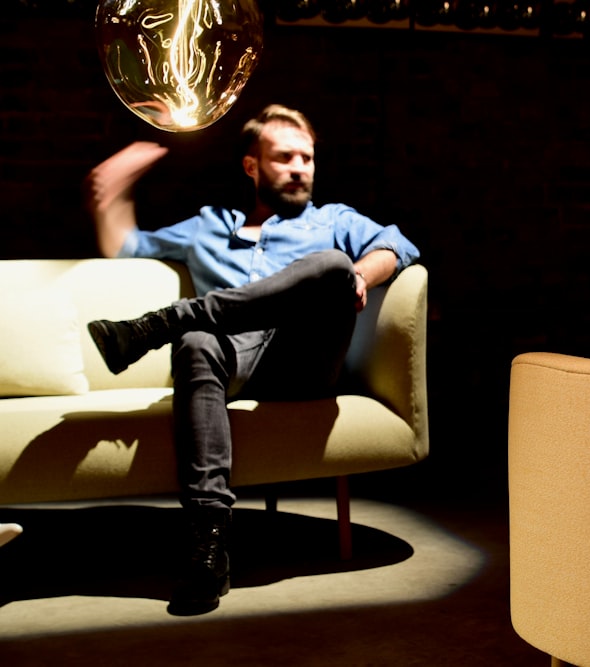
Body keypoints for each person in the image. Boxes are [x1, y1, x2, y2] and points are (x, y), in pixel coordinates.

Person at [83, 104, 420, 616]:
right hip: (231, 361)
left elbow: (397, 244)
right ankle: (209, 547)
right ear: (251, 166)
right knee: (197, 343)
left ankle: (158, 325)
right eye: (284, 157)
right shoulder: (207, 226)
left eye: (307, 158)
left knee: (330, 265)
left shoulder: (331, 221)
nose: (299, 168)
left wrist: (358, 277)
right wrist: (112, 187)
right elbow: (127, 247)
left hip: (303, 358)